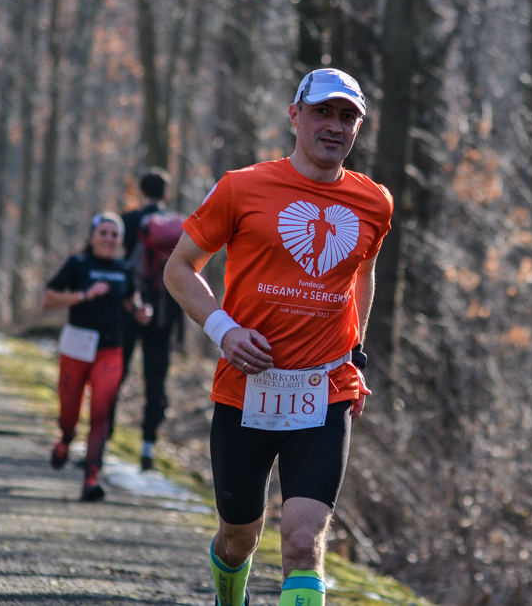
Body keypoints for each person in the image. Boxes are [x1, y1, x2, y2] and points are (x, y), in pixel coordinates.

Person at [164, 68, 392, 606]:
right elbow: (179, 268)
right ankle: (229, 594)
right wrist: (224, 331)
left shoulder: (374, 202)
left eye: (347, 117)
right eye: (322, 112)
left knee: (303, 541)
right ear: (295, 115)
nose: (333, 126)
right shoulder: (242, 187)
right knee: (239, 536)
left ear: (357, 127)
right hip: (246, 388)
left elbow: (363, 273)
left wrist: (356, 355)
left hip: (324, 389)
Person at [43, 212, 152, 502]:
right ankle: (66, 438)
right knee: (69, 413)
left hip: (111, 350)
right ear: (92, 236)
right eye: (103, 232)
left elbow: (131, 299)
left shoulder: (123, 268)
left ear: (119, 240)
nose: (109, 238)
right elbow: (49, 298)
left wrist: (140, 311)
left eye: (114, 234)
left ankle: (92, 478)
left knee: (101, 412)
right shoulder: (78, 264)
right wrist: (84, 295)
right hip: (77, 347)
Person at [113, 170, 182, 471]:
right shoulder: (180, 227)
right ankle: (148, 447)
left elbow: (115, 263)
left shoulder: (126, 222)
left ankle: (103, 440)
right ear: (166, 194)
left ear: (139, 191)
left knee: (116, 372)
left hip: (128, 308)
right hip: (165, 313)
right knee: (156, 378)